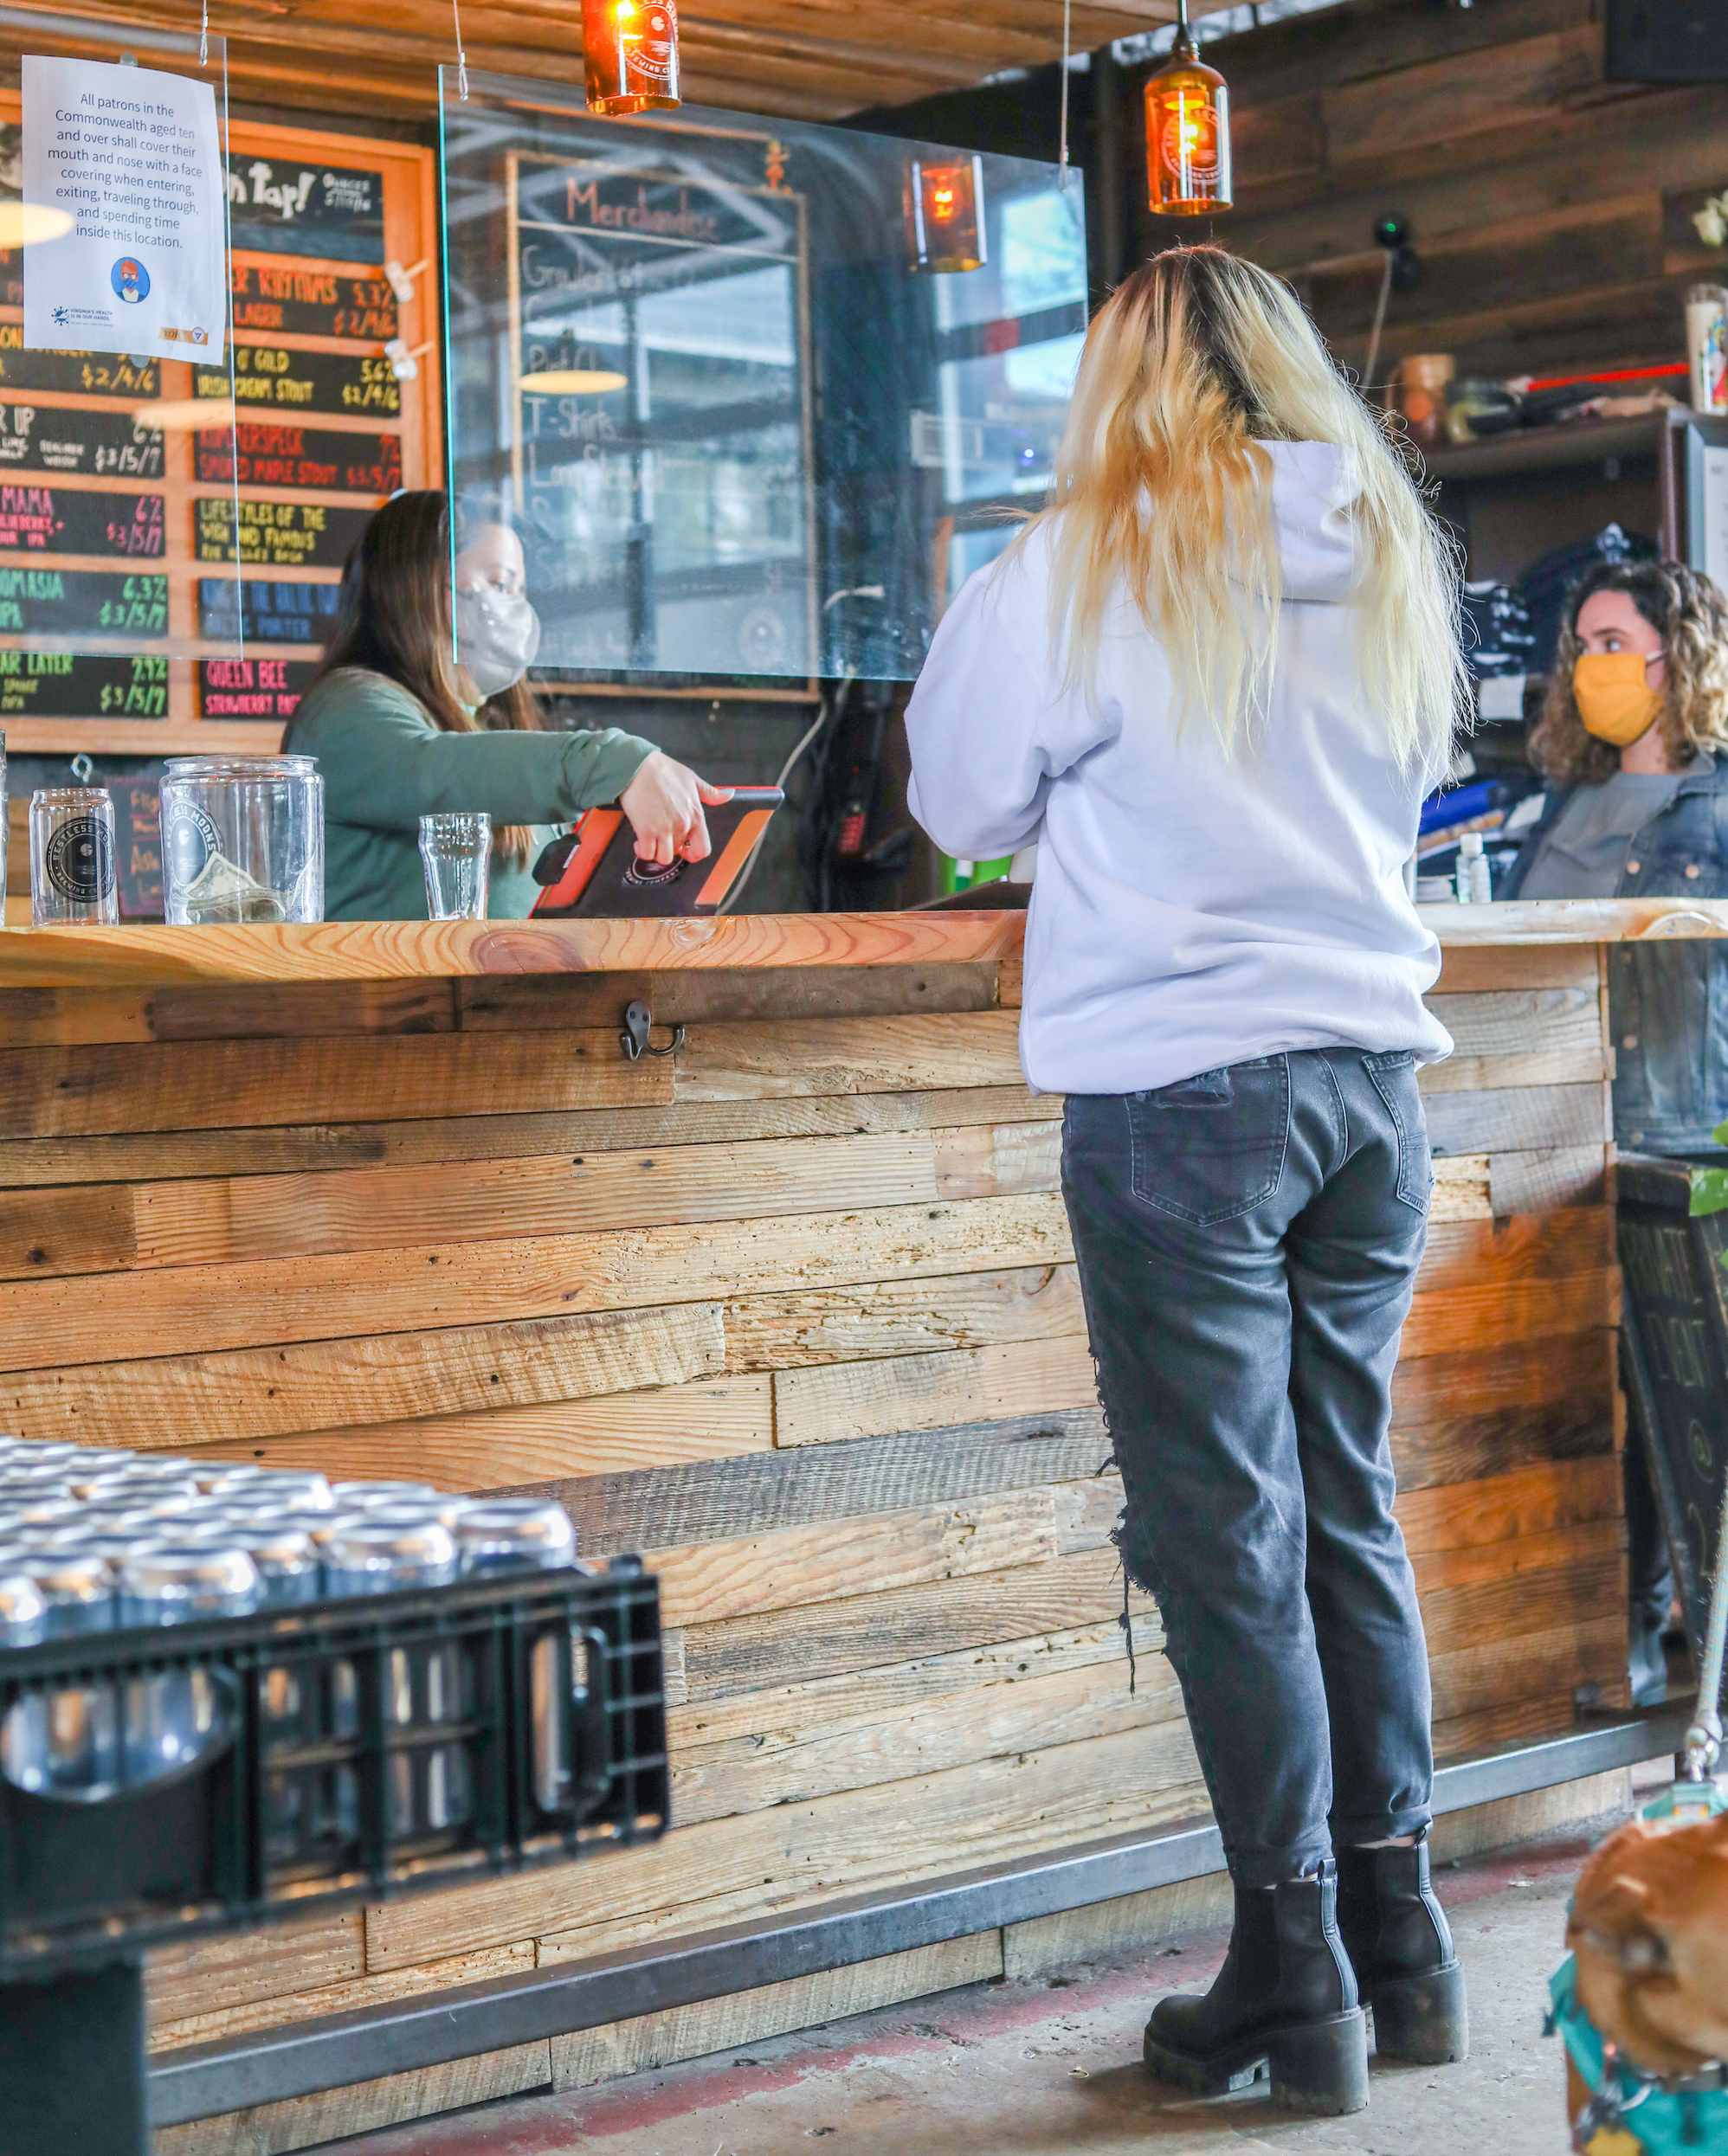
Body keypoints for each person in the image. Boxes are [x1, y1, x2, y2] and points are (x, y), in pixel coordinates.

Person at [906, 246, 1469, 2116]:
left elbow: (953, 798)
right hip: (1371, 1088)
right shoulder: (1381, 544)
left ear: (1121, 381)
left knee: (1231, 1546)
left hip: (1182, 1101)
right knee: (1343, 1511)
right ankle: (1401, 1946)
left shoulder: (1088, 555)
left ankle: (1286, 1971)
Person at [1499, 558, 1728, 1706]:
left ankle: (1667, 1642)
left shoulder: (1718, 802)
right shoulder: (1563, 801)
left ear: (1679, 658)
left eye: (1616, 643)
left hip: (1679, 1127)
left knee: (1674, 1396)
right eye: (1581, 644)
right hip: (1553, 1129)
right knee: (1598, 1386)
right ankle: (1631, 1637)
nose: (1595, 667)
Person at [286, 492, 729, 918]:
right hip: (392, 992)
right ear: (417, 587)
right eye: (499, 584)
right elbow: (438, 775)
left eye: (519, 590)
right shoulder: (345, 712)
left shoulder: (480, 722)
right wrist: (612, 762)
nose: (518, 609)